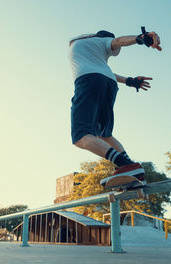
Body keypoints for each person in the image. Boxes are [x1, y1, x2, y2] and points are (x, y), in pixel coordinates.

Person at [68, 27, 162, 182]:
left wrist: (130, 81)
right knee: (104, 135)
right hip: (108, 85)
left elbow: (106, 67)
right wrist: (140, 38)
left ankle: (127, 166)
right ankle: (130, 167)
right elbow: (118, 41)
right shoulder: (101, 41)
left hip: (91, 81)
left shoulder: (81, 46)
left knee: (81, 136)